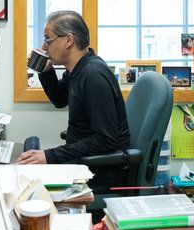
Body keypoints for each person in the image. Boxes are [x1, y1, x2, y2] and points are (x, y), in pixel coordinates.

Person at [16, 11, 131, 195]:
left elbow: (106, 139)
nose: (44, 47)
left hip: (99, 172)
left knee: (28, 189)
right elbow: (60, 100)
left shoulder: (93, 75)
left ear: (68, 40)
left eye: (48, 40)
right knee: (26, 174)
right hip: (83, 160)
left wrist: (49, 156)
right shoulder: (77, 69)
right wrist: (46, 71)